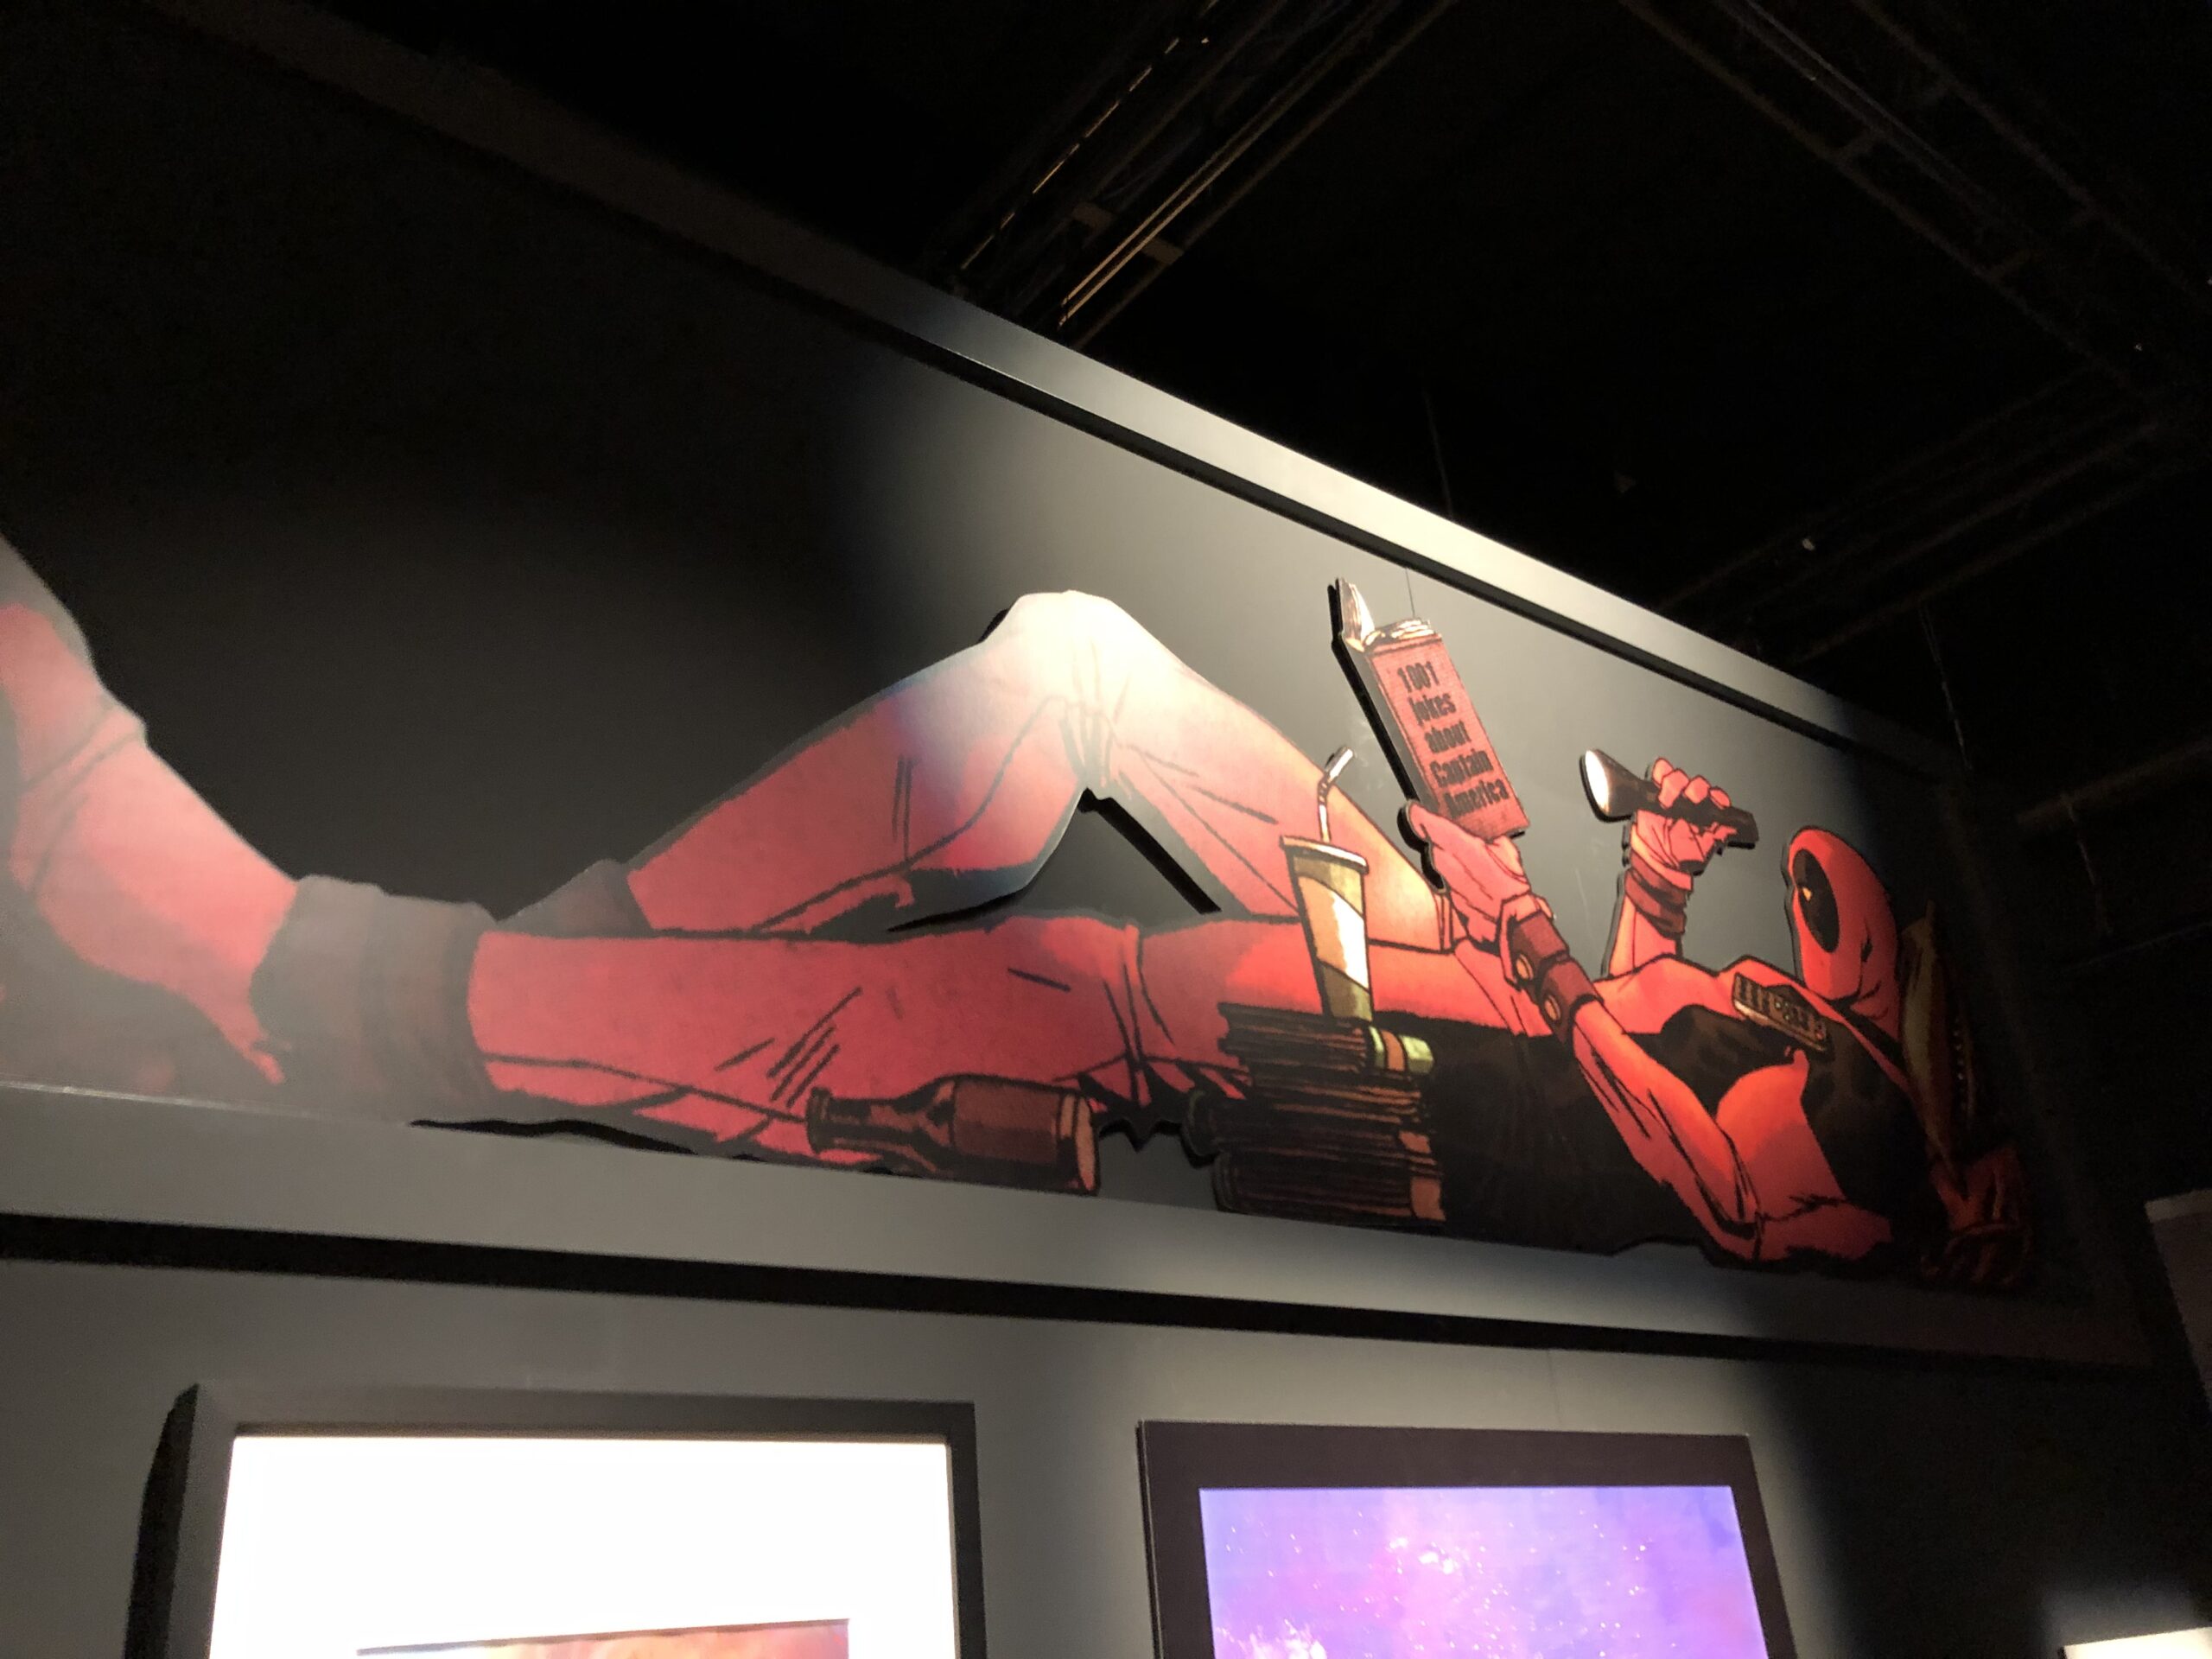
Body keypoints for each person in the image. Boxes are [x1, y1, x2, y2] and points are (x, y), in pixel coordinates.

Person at [0, 534, 2024, 1281]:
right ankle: (445, 987)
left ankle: (293, 975)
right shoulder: (1794, 1068)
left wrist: (1551, 969)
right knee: (1074, 658)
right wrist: (1639, 897)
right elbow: (1660, 1038)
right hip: (1461, 969)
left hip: (1431, 1062)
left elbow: (1681, 1138)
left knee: (1066, 987)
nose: (1782, 992)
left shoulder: (1781, 1185)